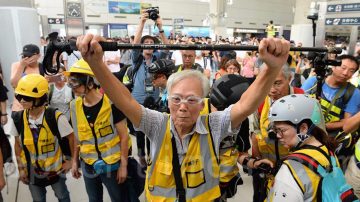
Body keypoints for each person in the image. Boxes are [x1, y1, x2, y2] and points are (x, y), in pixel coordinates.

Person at [76, 34, 290, 201]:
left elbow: (244, 105)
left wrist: (272, 67)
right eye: (176, 99)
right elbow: (125, 101)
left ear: (203, 102)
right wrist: (96, 64)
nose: (183, 107)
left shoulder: (213, 125)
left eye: (191, 100)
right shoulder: (157, 124)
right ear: (168, 100)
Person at [266, 94, 358, 201]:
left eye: (282, 130)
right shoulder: (328, 151)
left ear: (303, 128)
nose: (278, 135)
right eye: (275, 130)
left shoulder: (291, 167)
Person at [67, 59, 130, 202]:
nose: (73, 89)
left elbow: (124, 136)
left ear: (90, 83)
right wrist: (75, 161)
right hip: (88, 163)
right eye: (71, 84)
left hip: (112, 164)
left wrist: (123, 166)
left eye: (76, 84)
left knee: (119, 198)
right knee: (94, 199)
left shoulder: (112, 103)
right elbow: (77, 137)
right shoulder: (74, 106)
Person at [239, 64, 304, 202]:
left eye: (277, 83)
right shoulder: (259, 100)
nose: (272, 90)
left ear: (290, 78)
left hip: (294, 169)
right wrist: (257, 163)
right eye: (267, 83)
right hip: (265, 168)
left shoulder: (303, 99)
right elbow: (255, 132)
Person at [11, 74, 74, 202]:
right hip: (32, 172)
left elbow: (72, 138)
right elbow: (17, 145)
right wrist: (21, 169)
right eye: (19, 97)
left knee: (62, 196)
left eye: (27, 97)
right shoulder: (18, 119)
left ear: (39, 98)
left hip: (55, 171)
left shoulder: (55, 117)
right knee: (38, 199)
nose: (22, 101)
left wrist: (71, 161)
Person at [301, 54, 360, 168]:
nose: (345, 73)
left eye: (351, 70)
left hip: (329, 141)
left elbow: (347, 122)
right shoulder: (314, 82)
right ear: (333, 66)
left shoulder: (354, 93)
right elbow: (297, 103)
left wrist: (321, 125)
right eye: (343, 68)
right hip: (304, 134)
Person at [129, 9, 169, 167]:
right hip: (137, 100)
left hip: (155, 100)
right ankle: (141, 157)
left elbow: (167, 48)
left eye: (151, 43)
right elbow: (135, 45)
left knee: (153, 130)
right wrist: (142, 22)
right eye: (145, 44)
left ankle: (154, 155)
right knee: (139, 131)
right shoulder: (137, 59)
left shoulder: (158, 58)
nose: (149, 45)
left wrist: (161, 28)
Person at [210, 74, 251, 201]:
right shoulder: (197, 116)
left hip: (222, 186)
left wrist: (252, 163)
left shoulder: (242, 120)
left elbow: (239, 151)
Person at [10, 44, 44, 114]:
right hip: (19, 108)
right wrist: (22, 66)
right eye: (25, 56)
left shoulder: (42, 67)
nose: (27, 58)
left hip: (36, 108)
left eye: (30, 56)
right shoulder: (16, 65)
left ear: (38, 56)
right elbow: (14, 84)